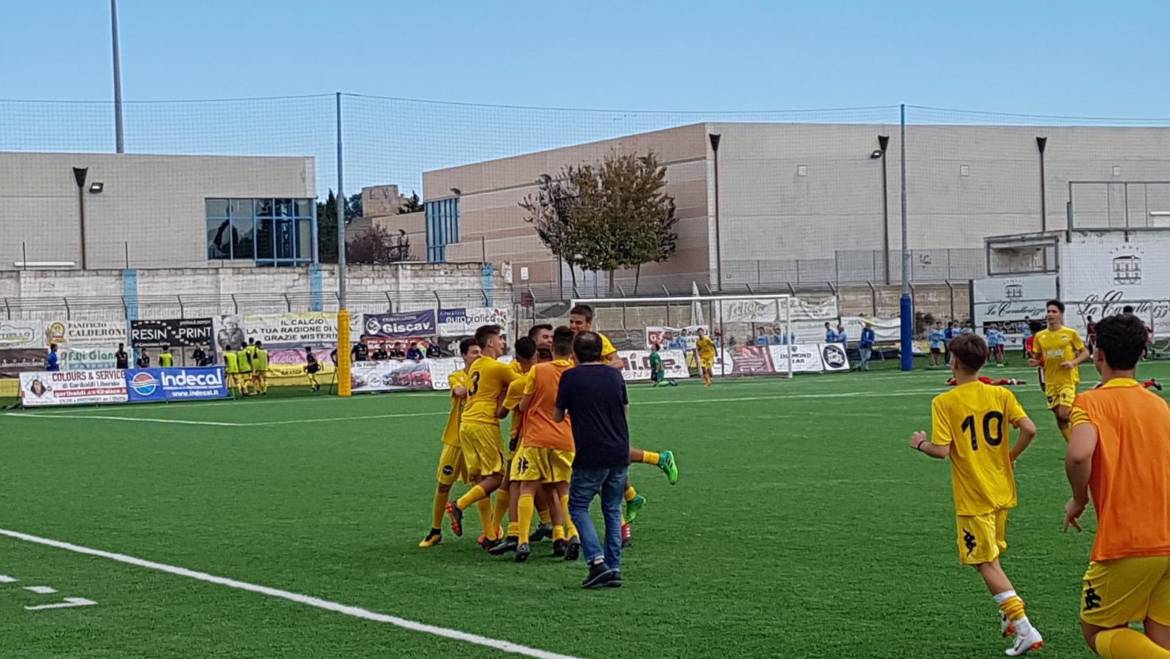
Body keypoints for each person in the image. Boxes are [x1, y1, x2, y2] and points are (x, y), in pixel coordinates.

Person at [908, 333, 1043, 656]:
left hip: (974, 495)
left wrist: (920, 444)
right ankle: (1009, 615)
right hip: (1002, 489)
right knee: (991, 556)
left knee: (983, 562)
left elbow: (942, 451)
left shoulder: (945, 401)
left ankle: (1023, 626)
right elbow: (1030, 429)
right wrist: (1010, 456)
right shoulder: (1001, 394)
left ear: (954, 362)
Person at [1063, 313, 1170, 658]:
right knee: (1159, 631)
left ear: (1098, 355)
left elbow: (1079, 454)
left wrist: (1078, 499)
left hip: (1130, 540)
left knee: (1098, 630)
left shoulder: (1091, 403)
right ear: (1141, 355)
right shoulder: (1160, 406)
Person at [555, 331, 630, 588]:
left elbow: (557, 415)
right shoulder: (614, 374)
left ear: (575, 353)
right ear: (601, 351)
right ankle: (614, 566)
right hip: (619, 450)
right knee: (612, 508)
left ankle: (596, 562)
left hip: (590, 452)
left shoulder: (570, 376)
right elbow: (625, 409)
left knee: (577, 506)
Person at [505, 327, 581, 562]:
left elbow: (523, 405)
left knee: (527, 487)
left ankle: (523, 541)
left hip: (536, 438)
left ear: (551, 347)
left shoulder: (538, 370)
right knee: (563, 489)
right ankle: (573, 534)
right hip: (565, 439)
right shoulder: (575, 372)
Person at [446, 324, 519, 549]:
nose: (503, 343)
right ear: (490, 343)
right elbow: (524, 382)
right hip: (484, 424)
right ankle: (459, 504)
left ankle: (490, 534)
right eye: (500, 339)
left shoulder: (476, 364)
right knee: (497, 477)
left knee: (481, 479)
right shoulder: (497, 367)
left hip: (466, 424)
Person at [419, 337, 481, 549]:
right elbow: (459, 391)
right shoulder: (457, 376)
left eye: (480, 352)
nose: (478, 356)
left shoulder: (489, 374)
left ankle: (491, 531)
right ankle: (435, 531)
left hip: (478, 440)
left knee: (481, 484)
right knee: (444, 484)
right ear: (464, 355)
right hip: (455, 440)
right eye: (474, 352)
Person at [1029, 300, 1090, 442]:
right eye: (1048, 311)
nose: (1050, 314)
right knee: (1059, 417)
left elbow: (1085, 352)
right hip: (1050, 381)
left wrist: (1073, 362)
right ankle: (1073, 445)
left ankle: (1089, 421)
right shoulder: (1040, 336)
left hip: (1067, 379)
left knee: (1064, 413)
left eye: (1054, 311)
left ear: (1061, 315)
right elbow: (1037, 356)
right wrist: (1035, 361)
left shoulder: (1070, 333)